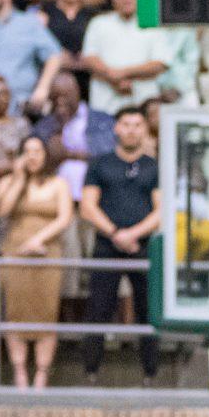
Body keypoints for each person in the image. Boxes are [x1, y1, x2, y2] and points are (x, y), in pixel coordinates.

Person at [78, 105, 161, 382]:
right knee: (99, 308)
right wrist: (115, 233)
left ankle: (151, 373)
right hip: (106, 245)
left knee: (148, 310)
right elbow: (88, 207)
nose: (131, 130)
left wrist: (134, 234)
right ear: (116, 127)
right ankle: (91, 371)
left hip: (144, 248)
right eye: (126, 124)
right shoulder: (100, 164)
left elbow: (161, 211)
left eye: (137, 125)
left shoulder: (154, 167)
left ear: (145, 129)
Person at [0, 133, 73, 387]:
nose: (33, 156)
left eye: (37, 151)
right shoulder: (8, 181)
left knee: (46, 313)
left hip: (47, 252)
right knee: (14, 311)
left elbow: (64, 217)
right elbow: (2, 211)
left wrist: (39, 239)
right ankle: (19, 372)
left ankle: (41, 373)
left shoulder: (59, 183)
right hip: (15, 251)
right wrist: (18, 178)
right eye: (27, 151)